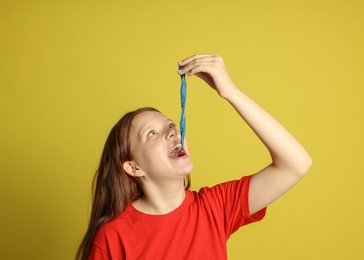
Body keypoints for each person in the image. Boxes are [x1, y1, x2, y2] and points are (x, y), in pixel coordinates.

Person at [76, 54, 312, 260]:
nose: (172, 131)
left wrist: (231, 92)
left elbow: (296, 164)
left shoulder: (215, 207)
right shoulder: (112, 238)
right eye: (151, 133)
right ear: (134, 167)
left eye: (170, 124)